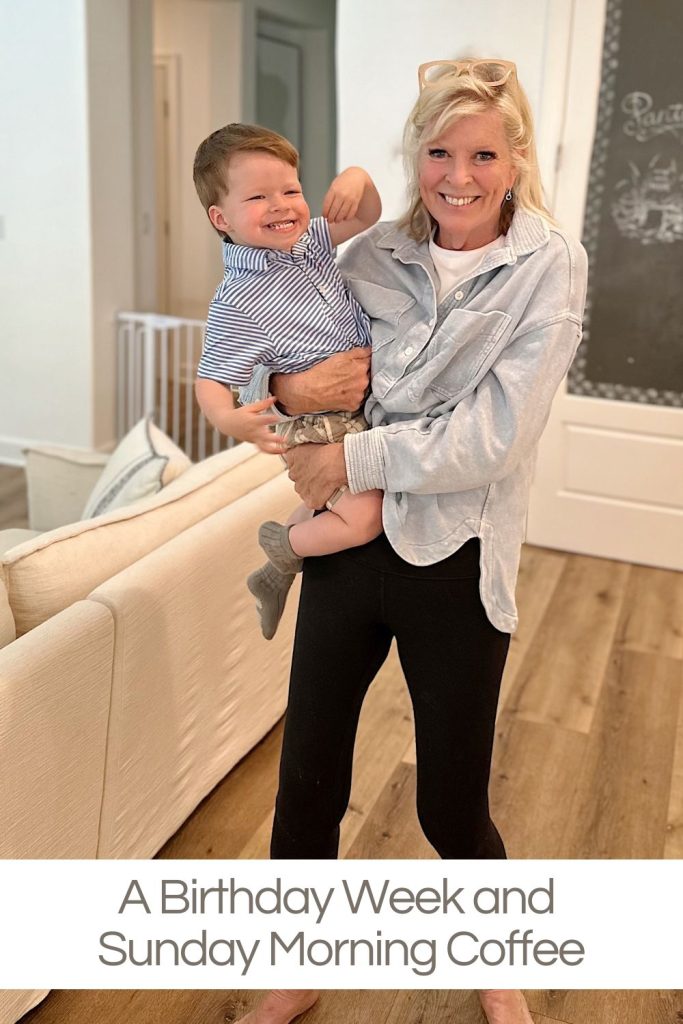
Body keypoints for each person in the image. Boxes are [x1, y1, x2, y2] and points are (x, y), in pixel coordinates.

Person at [238, 57, 588, 1024]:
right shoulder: (370, 255)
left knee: (448, 804)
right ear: (415, 155)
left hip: (455, 557)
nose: (458, 176)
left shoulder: (547, 265)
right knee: (308, 778)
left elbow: (495, 439)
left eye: (481, 153)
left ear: (514, 161)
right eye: (438, 151)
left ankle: (492, 952)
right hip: (349, 559)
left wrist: (348, 461)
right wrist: (292, 395)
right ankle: (295, 961)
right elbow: (284, 337)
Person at [193, 123, 383, 640]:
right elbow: (211, 380)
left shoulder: (313, 242)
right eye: (258, 196)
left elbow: (368, 215)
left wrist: (357, 176)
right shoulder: (236, 299)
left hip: (358, 413)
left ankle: (274, 575)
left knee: (339, 502)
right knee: (366, 519)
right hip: (317, 425)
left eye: (290, 190)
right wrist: (231, 419)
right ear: (221, 218)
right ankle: (284, 548)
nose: (281, 205)